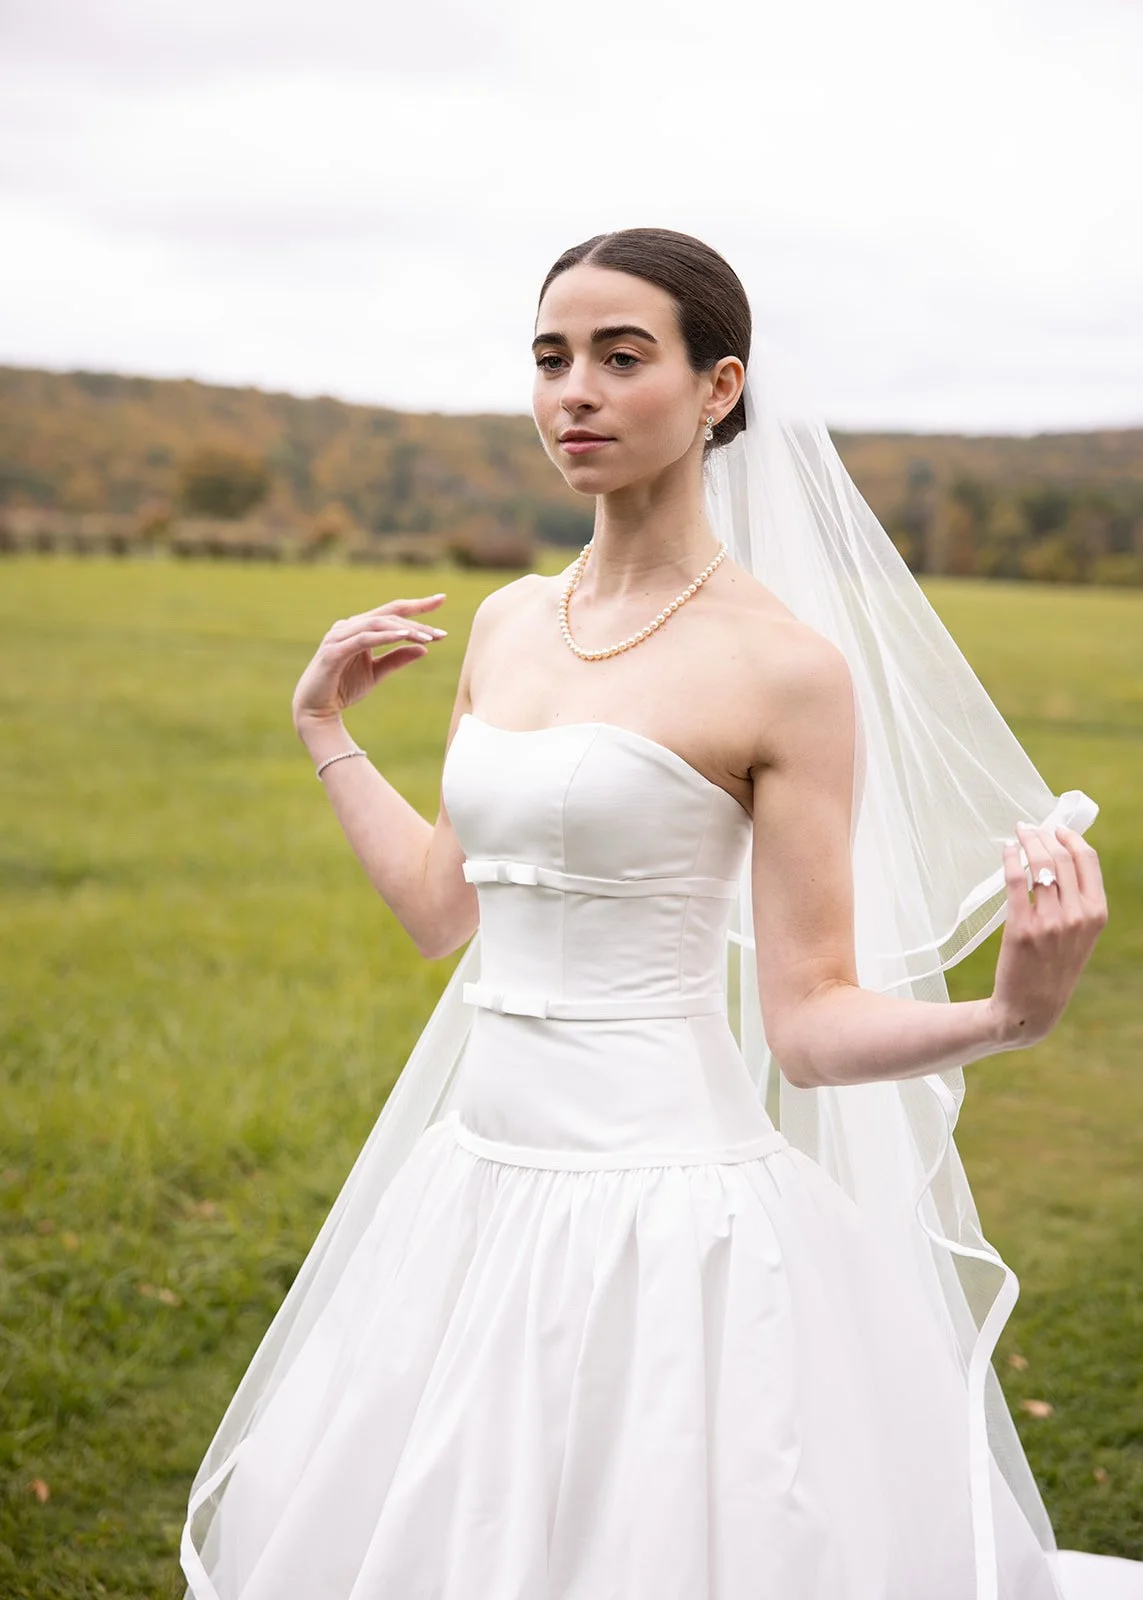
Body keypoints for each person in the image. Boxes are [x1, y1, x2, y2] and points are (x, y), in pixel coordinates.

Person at [181, 228, 1127, 1600]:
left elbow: (804, 1027)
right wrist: (322, 727)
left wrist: (1004, 1014)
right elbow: (441, 909)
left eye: (622, 358)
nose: (573, 390)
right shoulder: (507, 623)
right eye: (550, 357)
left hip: (664, 1212)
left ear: (715, 390)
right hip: (472, 1185)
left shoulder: (782, 669)